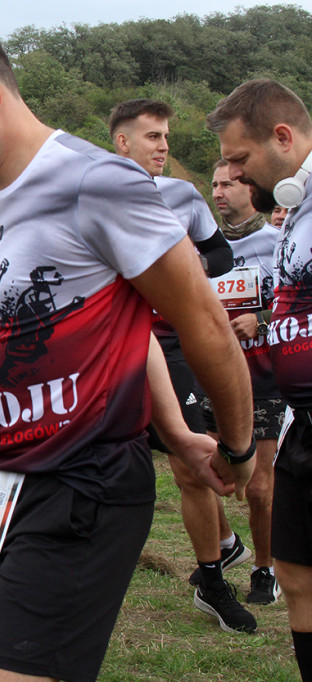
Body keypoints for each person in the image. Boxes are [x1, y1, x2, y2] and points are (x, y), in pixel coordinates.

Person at [0, 9, 254, 680]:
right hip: (2, 484)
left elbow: (203, 323)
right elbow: (116, 320)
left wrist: (237, 447)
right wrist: (172, 425)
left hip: (83, 485)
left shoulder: (95, 181)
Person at [111, 98, 255, 632]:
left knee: (189, 465)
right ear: (122, 142)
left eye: (166, 137)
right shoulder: (93, 191)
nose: (164, 147)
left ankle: (213, 580)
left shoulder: (181, 195)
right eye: (152, 137)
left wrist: (188, 262)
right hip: (112, 343)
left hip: (170, 342)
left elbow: (222, 256)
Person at [207, 77, 312, 680]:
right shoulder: (293, 212)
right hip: (302, 426)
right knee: (298, 573)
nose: (240, 177)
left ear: (283, 136)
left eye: (242, 161)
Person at [206, 158, 283, 605]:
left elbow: (301, 305)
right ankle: (228, 545)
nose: (218, 192)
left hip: (263, 377)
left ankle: (264, 569)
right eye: (214, 185)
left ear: (250, 189)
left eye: (229, 184)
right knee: (201, 474)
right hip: (213, 376)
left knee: (257, 486)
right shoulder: (205, 248)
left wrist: (262, 318)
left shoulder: (277, 242)